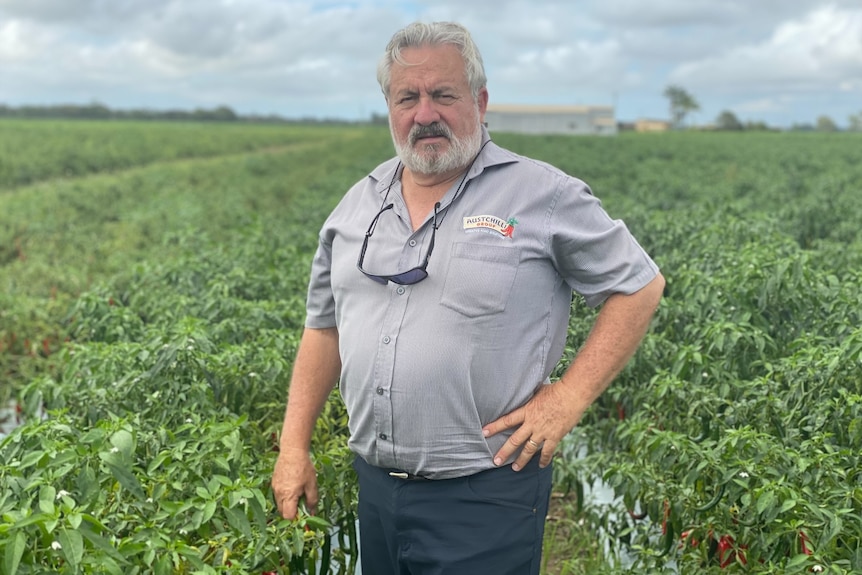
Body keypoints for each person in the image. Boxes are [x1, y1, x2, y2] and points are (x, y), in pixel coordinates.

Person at [272, 20, 665, 575]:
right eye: (408, 97)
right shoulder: (357, 206)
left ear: (480, 101)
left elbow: (639, 284)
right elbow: (324, 327)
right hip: (377, 489)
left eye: (443, 95)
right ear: (389, 105)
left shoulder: (541, 194)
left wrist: (568, 398)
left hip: (485, 495)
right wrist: (294, 448)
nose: (425, 113)